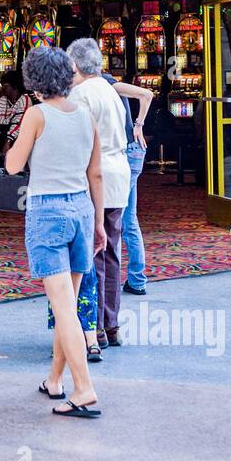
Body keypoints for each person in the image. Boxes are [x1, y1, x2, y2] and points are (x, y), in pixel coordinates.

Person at [5, 45, 106, 418]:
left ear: (33, 81)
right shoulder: (86, 115)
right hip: (82, 207)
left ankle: (84, 388)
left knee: (62, 307)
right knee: (69, 303)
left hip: (48, 211)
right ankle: (55, 380)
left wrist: (17, 142)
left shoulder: (36, 114)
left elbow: (14, 166)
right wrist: (98, 222)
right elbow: (95, 173)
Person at [68, 39, 131, 356]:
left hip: (93, 176)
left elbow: (78, 141)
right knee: (112, 253)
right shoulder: (110, 89)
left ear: (76, 66)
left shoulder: (80, 94)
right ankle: (111, 324)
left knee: (89, 254)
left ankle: (91, 329)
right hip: (118, 175)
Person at [105, 75, 154, 295]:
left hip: (126, 151)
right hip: (131, 152)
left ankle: (114, 279)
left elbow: (146, 94)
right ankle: (136, 279)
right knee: (128, 219)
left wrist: (139, 125)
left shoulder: (107, 82)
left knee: (117, 219)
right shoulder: (102, 84)